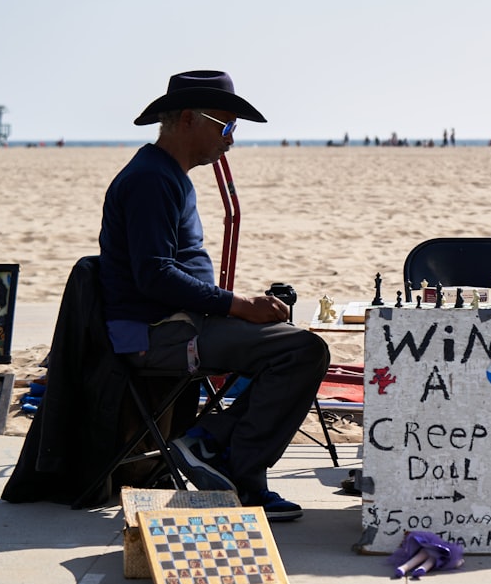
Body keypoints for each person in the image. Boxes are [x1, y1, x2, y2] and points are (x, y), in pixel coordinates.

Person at [97, 70, 330, 520]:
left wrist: (238, 307)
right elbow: (155, 276)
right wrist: (238, 304)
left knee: (289, 340)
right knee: (302, 351)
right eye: (225, 126)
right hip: (157, 333)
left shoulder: (168, 176)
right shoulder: (151, 180)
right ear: (188, 119)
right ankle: (228, 463)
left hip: (183, 322)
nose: (231, 139)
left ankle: (215, 445)